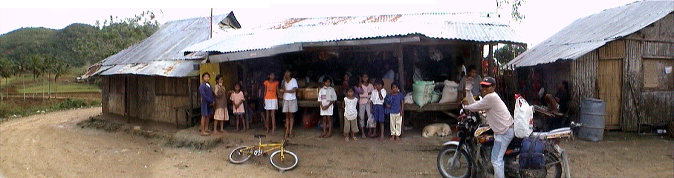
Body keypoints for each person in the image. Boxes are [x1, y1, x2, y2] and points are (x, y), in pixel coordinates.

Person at [462, 77, 514, 178]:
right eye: (482, 86)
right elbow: (475, 105)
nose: (484, 88)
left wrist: (465, 108)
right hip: (505, 130)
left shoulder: (491, 97)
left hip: (504, 133)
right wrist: (468, 91)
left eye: (487, 86)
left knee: (496, 160)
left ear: (493, 87)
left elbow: (473, 107)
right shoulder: (490, 98)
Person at [281, 70, 299, 138]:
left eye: (288, 73)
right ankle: (287, 130)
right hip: (286, 99)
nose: (286, 75)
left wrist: (286, 91)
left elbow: (294, 90)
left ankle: (290, 131)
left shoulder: (293, 80)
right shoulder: (284, 81)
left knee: (291, 115)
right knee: (287, 116)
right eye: (285, 73)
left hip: (292, 99)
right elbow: (282, 88)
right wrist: (283, 80)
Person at [356, 74, 374, 138]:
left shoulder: (371, 85)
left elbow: (372, 94)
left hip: (369, 102)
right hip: (361, 102)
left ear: (368, 78)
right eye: (363, 77)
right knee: (361, 117)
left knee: (370, 116)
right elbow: (360, 94)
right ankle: (363, 132)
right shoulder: (360, 85)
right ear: (362, 78)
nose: (365, 78)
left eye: (366, 77)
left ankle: (370, 131)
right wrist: (367, 94)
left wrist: (365, 94)